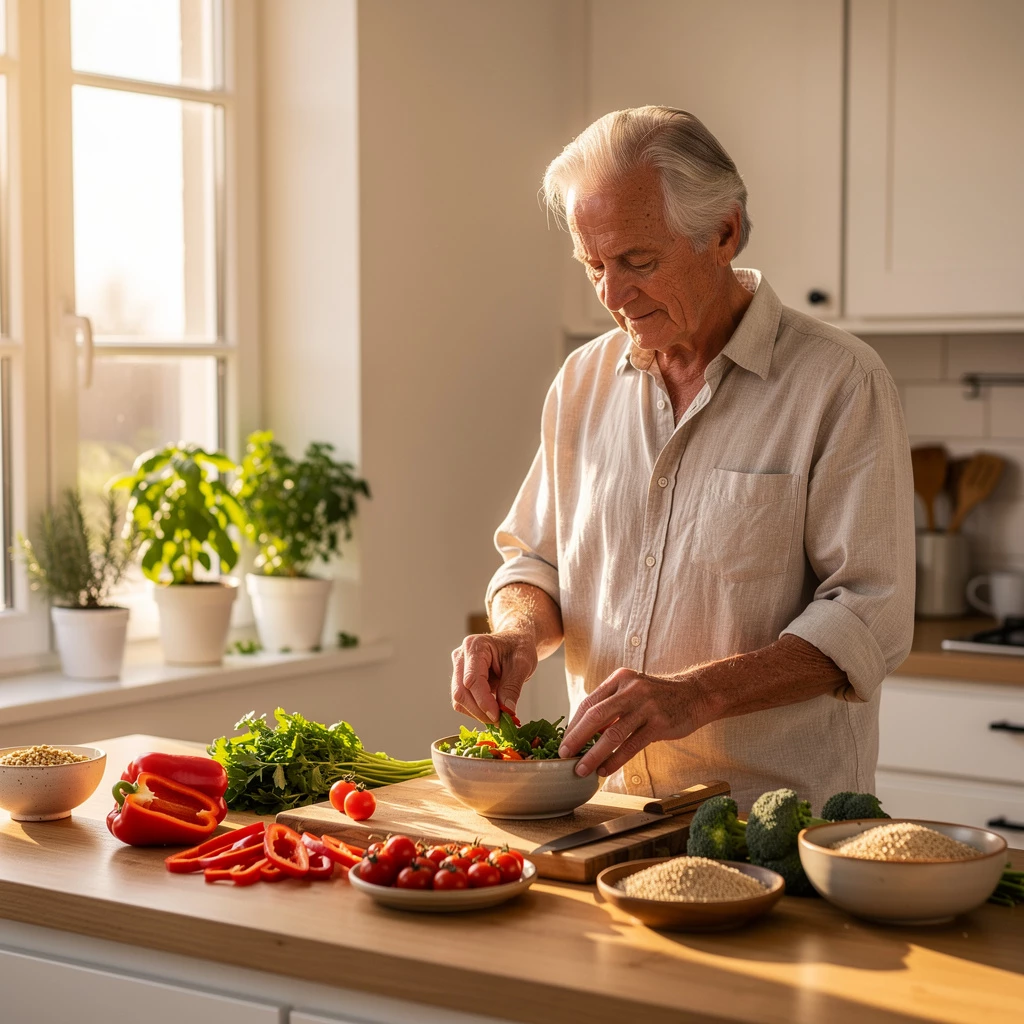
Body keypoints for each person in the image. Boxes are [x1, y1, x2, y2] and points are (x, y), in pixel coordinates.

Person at [450, 106, 915, 811]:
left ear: (723, 232)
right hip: (604, 813)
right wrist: (515, 634)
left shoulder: (839, 382)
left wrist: (696, 695)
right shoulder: (581, 381)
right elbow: (535, 561)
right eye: (593, 264)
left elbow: (869, 615)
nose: (612, 294)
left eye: (638, 262)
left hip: (774, 828)